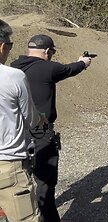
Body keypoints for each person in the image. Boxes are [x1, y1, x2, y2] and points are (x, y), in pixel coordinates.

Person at [11, 34, 92, 222]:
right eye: (52, 52)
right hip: (41, 134)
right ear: (47, 51)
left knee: (22, 179)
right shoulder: (48, 68)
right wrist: (83, 62)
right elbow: (71, 69)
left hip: (17, 133)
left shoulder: (14, 67)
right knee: (45, 182)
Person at [0, 19, 44, 221]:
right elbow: (29, 118)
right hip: (8, 164)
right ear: (2, 46)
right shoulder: (13, 76)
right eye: (9, 45)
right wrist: (41, 119)